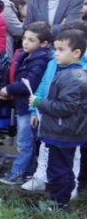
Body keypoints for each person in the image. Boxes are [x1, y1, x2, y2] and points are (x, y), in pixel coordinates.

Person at [22, 21, 87, 195]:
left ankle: (64, 197)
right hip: (51, 120)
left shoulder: (77, 74)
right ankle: (47, 185)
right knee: (51, 159)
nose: (55, 53)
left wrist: (39, 103)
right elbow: (44, 84)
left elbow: (68, 106)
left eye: (60, 49)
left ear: (76, 52)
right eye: (56, 48)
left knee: (67, 163)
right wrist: (34, 108)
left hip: (66, 128)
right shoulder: (56, 64)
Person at [0, 22, 51, 184]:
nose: (25, 42)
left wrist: (9, 89)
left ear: (43, 43)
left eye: (31, 40)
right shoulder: (27, 56)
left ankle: (18, 173)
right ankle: (28, 171)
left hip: (28, 107)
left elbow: (29, 83)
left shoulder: (40, 61)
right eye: (25, 38)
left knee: (24, 143)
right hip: (22, 105)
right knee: (27, 142)